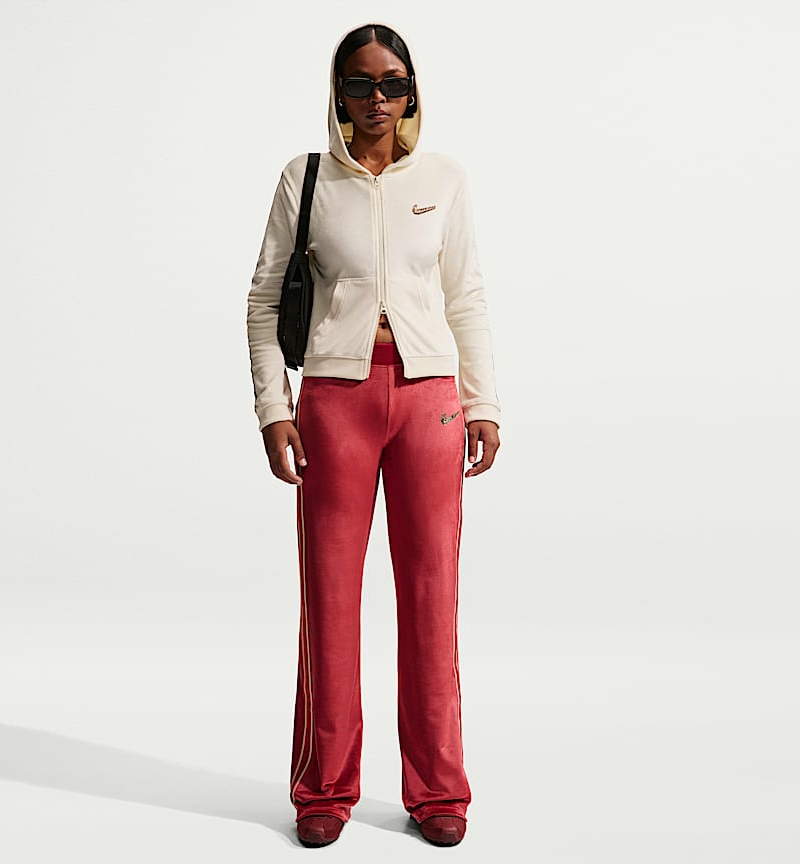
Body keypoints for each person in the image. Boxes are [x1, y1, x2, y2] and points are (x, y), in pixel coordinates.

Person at [246, 20, 501, 848]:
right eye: (360, 83)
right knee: (329, 599)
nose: (378, 98)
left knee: (431, 599)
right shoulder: (306, 179)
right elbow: (262, 301)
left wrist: (484, 402)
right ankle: (323, 787)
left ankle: (438, 791)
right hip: (335, 403)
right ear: (339, 93)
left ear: (412, 90)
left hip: (430, 402)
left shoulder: (445, 179)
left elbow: (465, 296)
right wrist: (274, 409)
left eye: (392, 82)